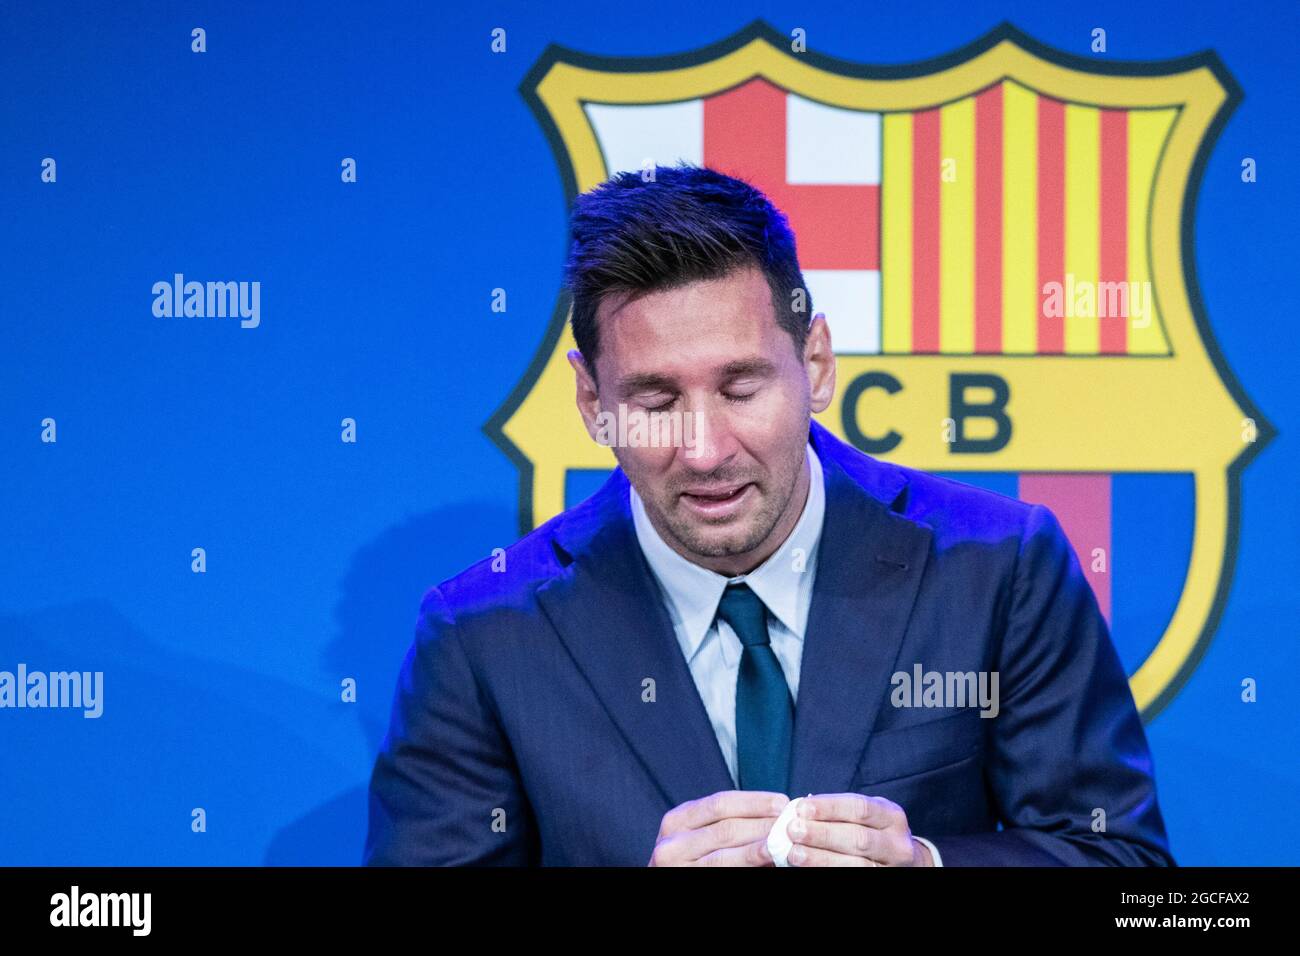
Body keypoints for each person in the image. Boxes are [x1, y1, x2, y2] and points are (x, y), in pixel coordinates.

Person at [364, 162, 1174, 866]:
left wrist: (925, 866)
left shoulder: (999, 568)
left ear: (815, 365)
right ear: (591, 400)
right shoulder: (484, 638)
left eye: (742, 388)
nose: (706, 448)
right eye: (654, 400)